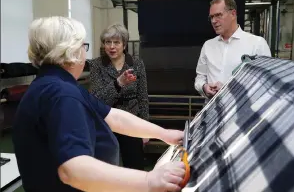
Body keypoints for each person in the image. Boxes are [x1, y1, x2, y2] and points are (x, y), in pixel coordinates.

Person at [12, 16, 185, 192]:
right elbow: (75, 170)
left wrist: (163, 133)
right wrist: (149, 180)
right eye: (82, 46)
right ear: (70, 51)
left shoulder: (53, 84)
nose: (84, 52)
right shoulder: (62, 94)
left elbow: (113, 117)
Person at [87, 23, 149, 170]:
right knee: (107, 169)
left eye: (116, 42)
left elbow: (143, 97)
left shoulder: (136, 63)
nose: (112, 47)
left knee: (135, 167)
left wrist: (145, 129)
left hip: (131, 122)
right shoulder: (97, 65)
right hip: (106, 122)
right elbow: (96, 99)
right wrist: (118, 83)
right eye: (108, 42)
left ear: (124, 44)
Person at [194, 0, 272, 101]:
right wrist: (204, 87)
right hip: (213, 113)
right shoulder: (208, 46)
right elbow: (200, 77)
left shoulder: (257, 44)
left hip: (242, 113)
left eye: (218, 15)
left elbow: (266, 82)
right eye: (211, 17)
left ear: (233, 14)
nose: (213, 21)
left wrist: (230, 91)